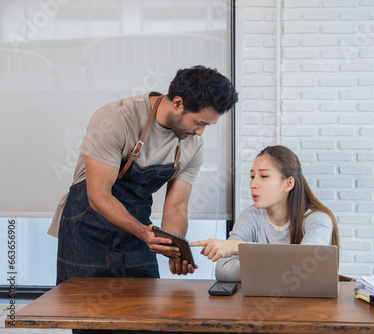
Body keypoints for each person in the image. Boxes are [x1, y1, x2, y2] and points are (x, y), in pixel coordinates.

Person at [49, 65, 238, 285]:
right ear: (178, 103)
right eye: (199, 122)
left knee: (144, 311)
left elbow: (176, 207)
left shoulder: (193, 145)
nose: (200, 132)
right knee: (78, 313)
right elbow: (98, 195)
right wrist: (142, 232)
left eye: (208, 125)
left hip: (136, 236)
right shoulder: (116, 118)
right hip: (86, 232)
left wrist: (174, 248)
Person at [191, 145, 340, 282]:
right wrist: (281, 268)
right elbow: (224, 271)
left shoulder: (317, 219)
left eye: (263, 176)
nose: (253, 184)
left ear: (289, 183)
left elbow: (304, 264)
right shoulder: (251, 216)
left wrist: (238, 248)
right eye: (252, 176)